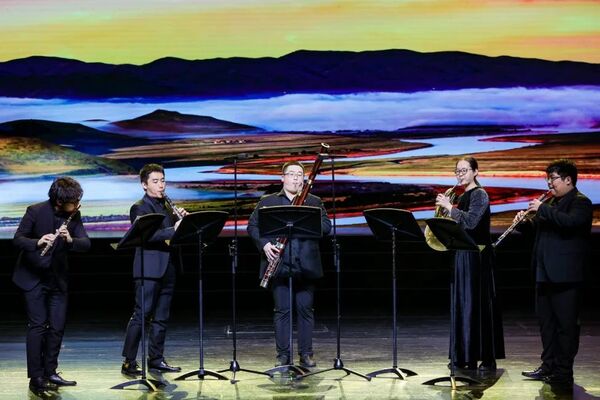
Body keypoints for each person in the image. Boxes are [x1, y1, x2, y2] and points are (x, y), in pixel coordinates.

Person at [247, 161, 331, 368]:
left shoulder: (314, 201)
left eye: (299, 174)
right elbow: (253, 226)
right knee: (282, 310)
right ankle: (283, 355)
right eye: (291, 174)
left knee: (306, 310)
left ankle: (306, 354)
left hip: (306, 264)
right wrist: (264, 244)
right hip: (279, 263)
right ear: (282, 178)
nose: (296, 178)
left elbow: (326, 226)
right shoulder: (268, 201)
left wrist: (306, 222)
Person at [13, 177, 90, 393]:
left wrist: (70, 240)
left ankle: (50, 372)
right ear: (59, 201)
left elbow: (86, 243)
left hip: (57, 279)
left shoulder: (74, 215)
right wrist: (37, 242)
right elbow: (18, 239)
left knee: (57, 326)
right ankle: (36, 377)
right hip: (32, 277)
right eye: (74, 201)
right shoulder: (35, 211)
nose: (77, 204)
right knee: (38, 326)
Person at [519, 159, 592, 386]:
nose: (549, 183)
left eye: (553, 179)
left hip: (566, 276)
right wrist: (524, 224)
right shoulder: (550, 203)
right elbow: (540, 232)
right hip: (544, 274)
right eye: (548, 179)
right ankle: (548, 366)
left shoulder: (581, 202)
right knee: (547, 325)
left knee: (566, 326)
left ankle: (563, 372)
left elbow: (569, 223)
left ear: (568, 180)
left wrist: (543, 209)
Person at [436, 156, 505, 371]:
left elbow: (472, 222)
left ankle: (482, 356)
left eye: (464, 170)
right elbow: (458, 225)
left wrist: (450, 208)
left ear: (475, 172)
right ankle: (464, 355)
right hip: (462, 254)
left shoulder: (480, 194)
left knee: (476, 306)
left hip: (477, 256)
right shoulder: (462, 195)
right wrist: (445, 214)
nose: (460, 175)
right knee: (462, 305)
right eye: (457, 171)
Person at [121, 164, 186, 376]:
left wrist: (182, 222)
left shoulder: (167, 206)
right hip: (148, 269)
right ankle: (129, 361)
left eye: (163, 180)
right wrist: (173, 229)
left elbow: (174, 234)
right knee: (141, 315)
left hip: (168, 267)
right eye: (155, 181)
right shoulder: (139, 208)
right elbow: (148, 236)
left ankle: (156, 359)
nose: (161, 185)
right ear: (144, 185)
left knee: (161, 317)